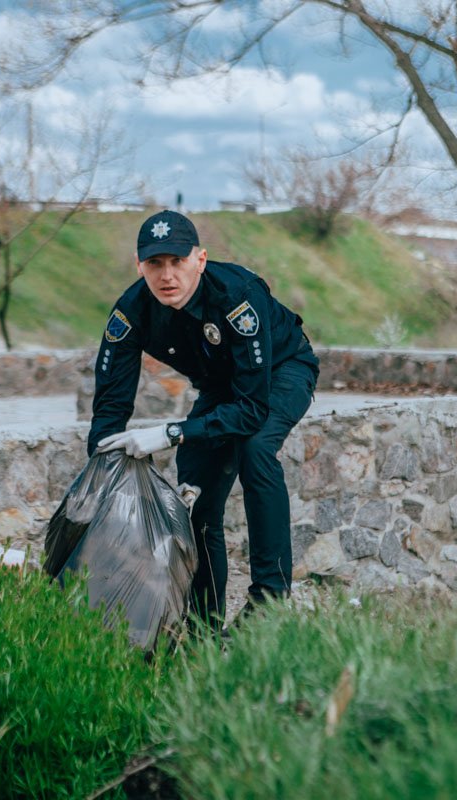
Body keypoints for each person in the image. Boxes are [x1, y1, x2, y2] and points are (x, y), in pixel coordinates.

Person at [89, 209, 320, 631]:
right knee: (194, 493)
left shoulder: (237, 296)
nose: (167, 275)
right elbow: (109, 408)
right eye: (155, 264)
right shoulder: (130, 311)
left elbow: (251, 409)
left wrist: (169, 433)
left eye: (178, 261)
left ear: (201, 259)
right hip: (218, 385)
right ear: (138, 266)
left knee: (255, 447)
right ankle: (203, 625)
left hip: (280, 371)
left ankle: (269, 601)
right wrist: (105, 474)